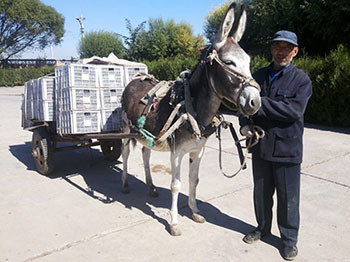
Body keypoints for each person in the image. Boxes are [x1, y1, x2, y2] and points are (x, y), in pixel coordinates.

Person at [239, 30, 312, 261]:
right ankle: (262, 228)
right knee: (261, 194)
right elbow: (243, 103)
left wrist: (259, 104)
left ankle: (289, 240)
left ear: (295, 52)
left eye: (286, 47)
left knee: (288, 198)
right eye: (277, 46)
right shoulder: (257, 77)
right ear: (271, 49)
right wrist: (244, 125)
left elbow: (294, 110)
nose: (281, 51)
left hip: (287, 149)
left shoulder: (301, 80)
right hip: (260, 146)